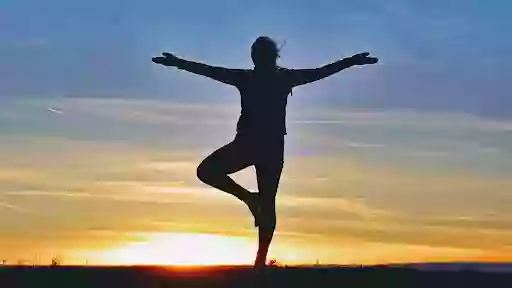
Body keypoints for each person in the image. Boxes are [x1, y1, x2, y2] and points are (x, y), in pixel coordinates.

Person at [152, 36, 378, 268]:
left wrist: (352, 61)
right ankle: (250, 199)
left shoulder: (283, 78)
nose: (256, 57)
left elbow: (321, 72)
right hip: (248, 146)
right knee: (207, 171)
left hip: (268, 149)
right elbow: (211, 71)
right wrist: (178, 63)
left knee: (268, 203)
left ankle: (260, 260)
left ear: (270, 56)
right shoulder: (248, 78)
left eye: (259, 53)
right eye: (254, 53)